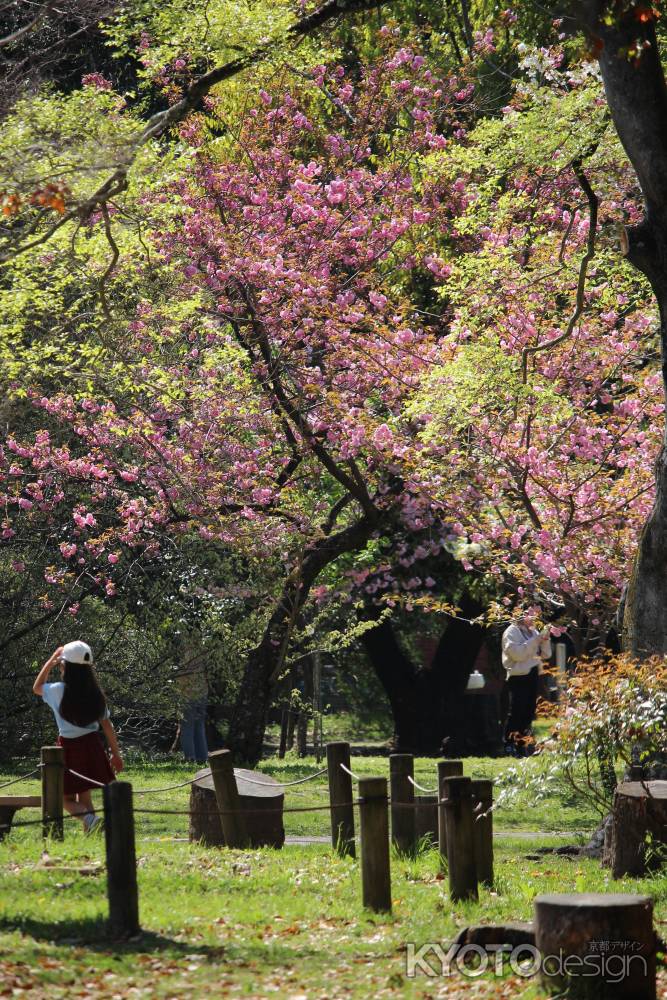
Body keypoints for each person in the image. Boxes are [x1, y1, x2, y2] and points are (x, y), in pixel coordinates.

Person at [33, 641, 123, 833]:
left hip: (69, 748)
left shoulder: (57, 690)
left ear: (64, 666)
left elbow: (37, 687)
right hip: (92, 745)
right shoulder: (95, 693)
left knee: (62, 798)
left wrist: (50, 661)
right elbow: (107, 726)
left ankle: (91, 820)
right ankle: (91, 829)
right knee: (85, 796)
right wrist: (116, 754)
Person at [501, 617, 552, 756]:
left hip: (533, 673)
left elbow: (546, 654)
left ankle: (523, 745)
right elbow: (517, 655)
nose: (534, 618)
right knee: (517, 709)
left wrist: (545, 639)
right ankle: (509, 744)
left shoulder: (533, 631)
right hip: (518, 675)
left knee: (529, 711)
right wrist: (536, 640)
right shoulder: (511, 631)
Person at [175, 649, 209, 764]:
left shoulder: (185, 655)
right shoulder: (202, 653)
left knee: (187, 727)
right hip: (202, 694)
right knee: (199, 726)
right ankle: (202, 757)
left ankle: (190, 757)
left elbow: (181, 676)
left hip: (188, 695)